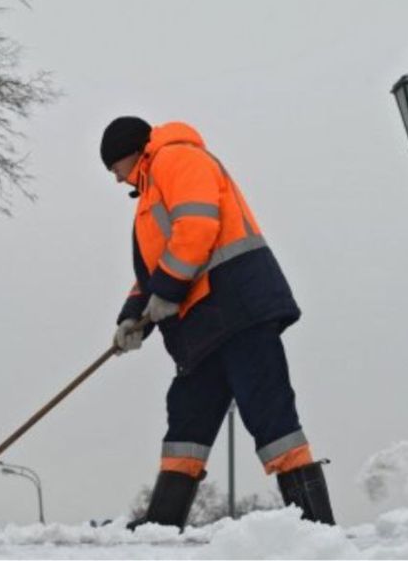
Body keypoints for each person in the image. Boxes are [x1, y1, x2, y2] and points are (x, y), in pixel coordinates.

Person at [100, 116, 335, 530]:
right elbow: (155, 268)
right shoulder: (151, 189)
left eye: (115, 169)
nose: (118, 180)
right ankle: (162, 527)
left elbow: (197, 228)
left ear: (129, 153)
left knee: (268, 412)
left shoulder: (177, 159)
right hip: (204, 324)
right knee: (187, 417)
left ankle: (315, 530)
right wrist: (132, 317)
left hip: (238, 308)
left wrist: (168, 292)